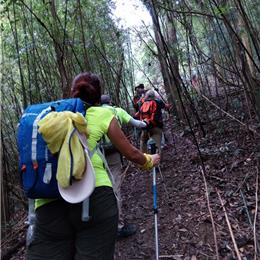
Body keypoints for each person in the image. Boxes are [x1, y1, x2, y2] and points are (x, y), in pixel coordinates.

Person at [27, 72, 160, 260]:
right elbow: (131, 153)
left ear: (72, 92)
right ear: (99, 96)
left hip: (48, 202)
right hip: (95, 197)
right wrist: (149, 161)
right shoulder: (103, 113)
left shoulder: (51, 116)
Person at [100, 94, 146, 238]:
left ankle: (102, 223)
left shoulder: (91, 113)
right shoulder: (116, 111)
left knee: (101, 188)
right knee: (114, 190)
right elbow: (137, 123)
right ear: (110, 101)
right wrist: (146, 123)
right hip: (113, 155)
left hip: (96, 156)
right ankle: (118, 227)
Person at [136, 89, 170, 155]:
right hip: (156, 127)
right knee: (158, 144)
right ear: (153, 96)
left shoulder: (143, 104)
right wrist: (168, 106)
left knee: (143, 142)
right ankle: (157, 161)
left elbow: (137, 114)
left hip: (145, 127)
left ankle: (145, 159)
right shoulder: (158, 102)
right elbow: (166, 107)